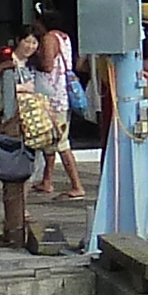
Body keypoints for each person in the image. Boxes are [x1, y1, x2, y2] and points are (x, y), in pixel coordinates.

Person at [0, 30, 56, 252]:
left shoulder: (32, 68)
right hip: (15, 127)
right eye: (27, 40)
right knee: (14, 182)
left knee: (16, 183)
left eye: (34, 42)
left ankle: (13, 232)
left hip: (28, 130)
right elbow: (4, 98)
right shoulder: (8, 66)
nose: (31, 46)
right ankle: (13, 231)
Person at [33, 18, 88, 200]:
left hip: (54, 96)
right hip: (61, 93)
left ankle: (76, 185)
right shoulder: (64, 38)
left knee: (62, 143)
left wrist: (34, 60)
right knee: (51, 142)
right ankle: (46, 180)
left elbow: (48, 66)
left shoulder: (49, 38)